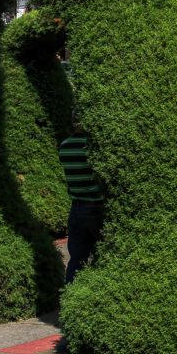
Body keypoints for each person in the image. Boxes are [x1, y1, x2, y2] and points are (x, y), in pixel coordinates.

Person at [61, 109, 105, 284]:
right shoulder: (92, 147)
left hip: (76, 208)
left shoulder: (64, 146)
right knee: (104, 256)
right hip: (95, 207)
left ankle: (70, 297)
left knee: (76, 260)